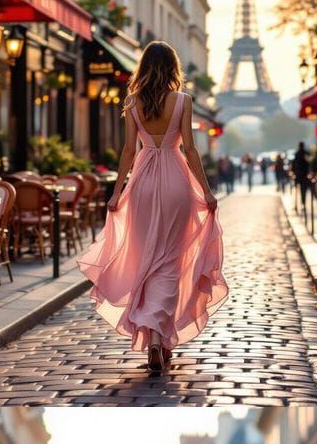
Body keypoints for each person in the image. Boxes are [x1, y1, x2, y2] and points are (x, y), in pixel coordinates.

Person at [77, 41, 227, 376]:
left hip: (143, 183)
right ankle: (159, 336)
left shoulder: (132, 102)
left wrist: (116, 192)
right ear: (173, 67)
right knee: (170, 262)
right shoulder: (184, 101)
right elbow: (189, 148)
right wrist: (206, 189)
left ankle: (155, 337)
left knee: (147, 258)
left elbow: (129, 152)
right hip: (177, 184)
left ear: (143, 67)